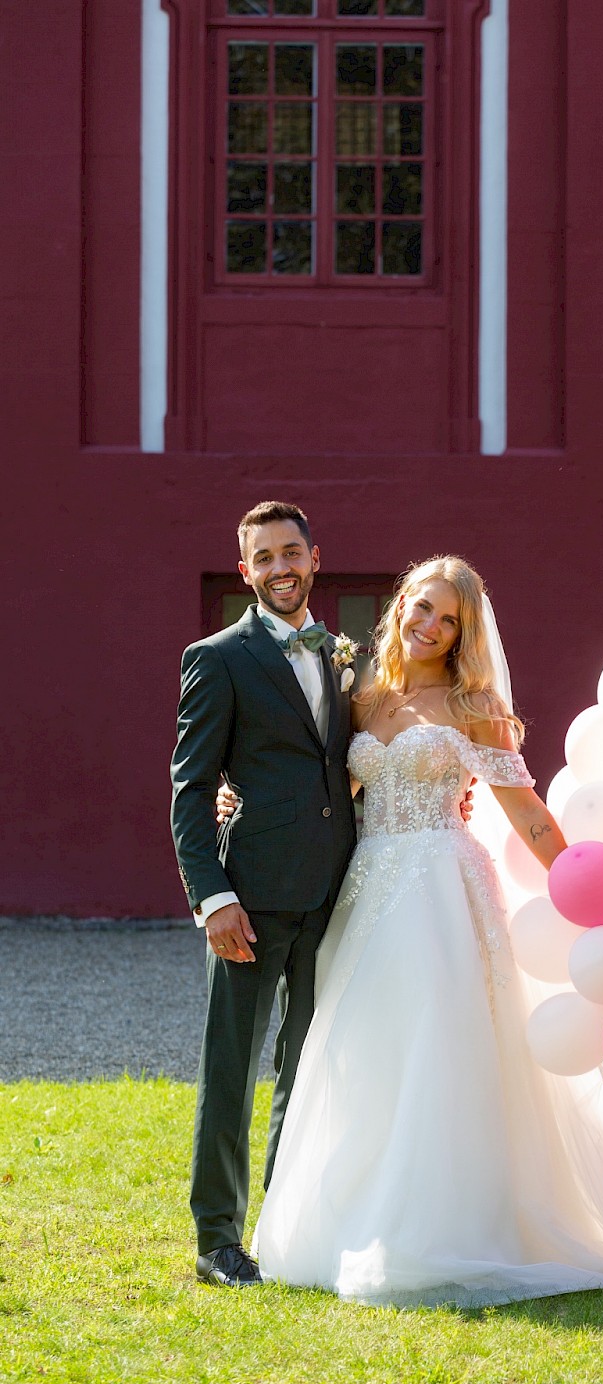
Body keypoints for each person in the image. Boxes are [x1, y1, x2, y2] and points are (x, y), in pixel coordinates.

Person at [250, 556, 603, 1305]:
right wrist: (232, 800)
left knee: (443, 1044)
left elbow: (529, 814)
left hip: (443, 887)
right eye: (421, 608)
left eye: (447, 620)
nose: (429, 627)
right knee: (360, 1047)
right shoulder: (362, 698)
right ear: (399, 606)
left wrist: (594, 890)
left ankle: (448, 1227)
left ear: (462, 634)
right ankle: (353, 1222)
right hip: (367, 889)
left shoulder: (475, 706)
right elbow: (318, 792)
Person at [170, 501, 359, 1289]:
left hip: (335, 895)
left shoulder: (348, 657)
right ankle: (218, 1238)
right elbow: (190, 787)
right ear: (244, 571)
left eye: (293, 552)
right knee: (231, 1068)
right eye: (264, 557)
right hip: (250, 897)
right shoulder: (218, 658)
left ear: (316, 557)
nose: (281, 567)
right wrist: (212, 900)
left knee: (307, 1065)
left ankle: (281, 1222)